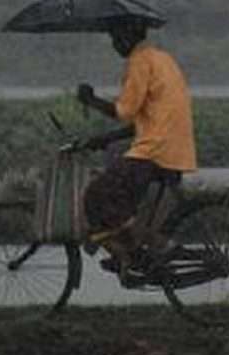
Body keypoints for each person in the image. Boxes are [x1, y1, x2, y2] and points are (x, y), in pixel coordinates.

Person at [76, 18, 197, 278]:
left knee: (96, 194)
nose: (114, 44)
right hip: (175, 147)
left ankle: (128, 254)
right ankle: (133, 252)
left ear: (130, 37)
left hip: (155, 151)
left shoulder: (139, 62)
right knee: (125, 200)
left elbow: (125, 111)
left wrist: (91, 100)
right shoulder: (163, 59)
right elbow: (147, 119)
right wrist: (106, 139)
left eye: (117, 38)